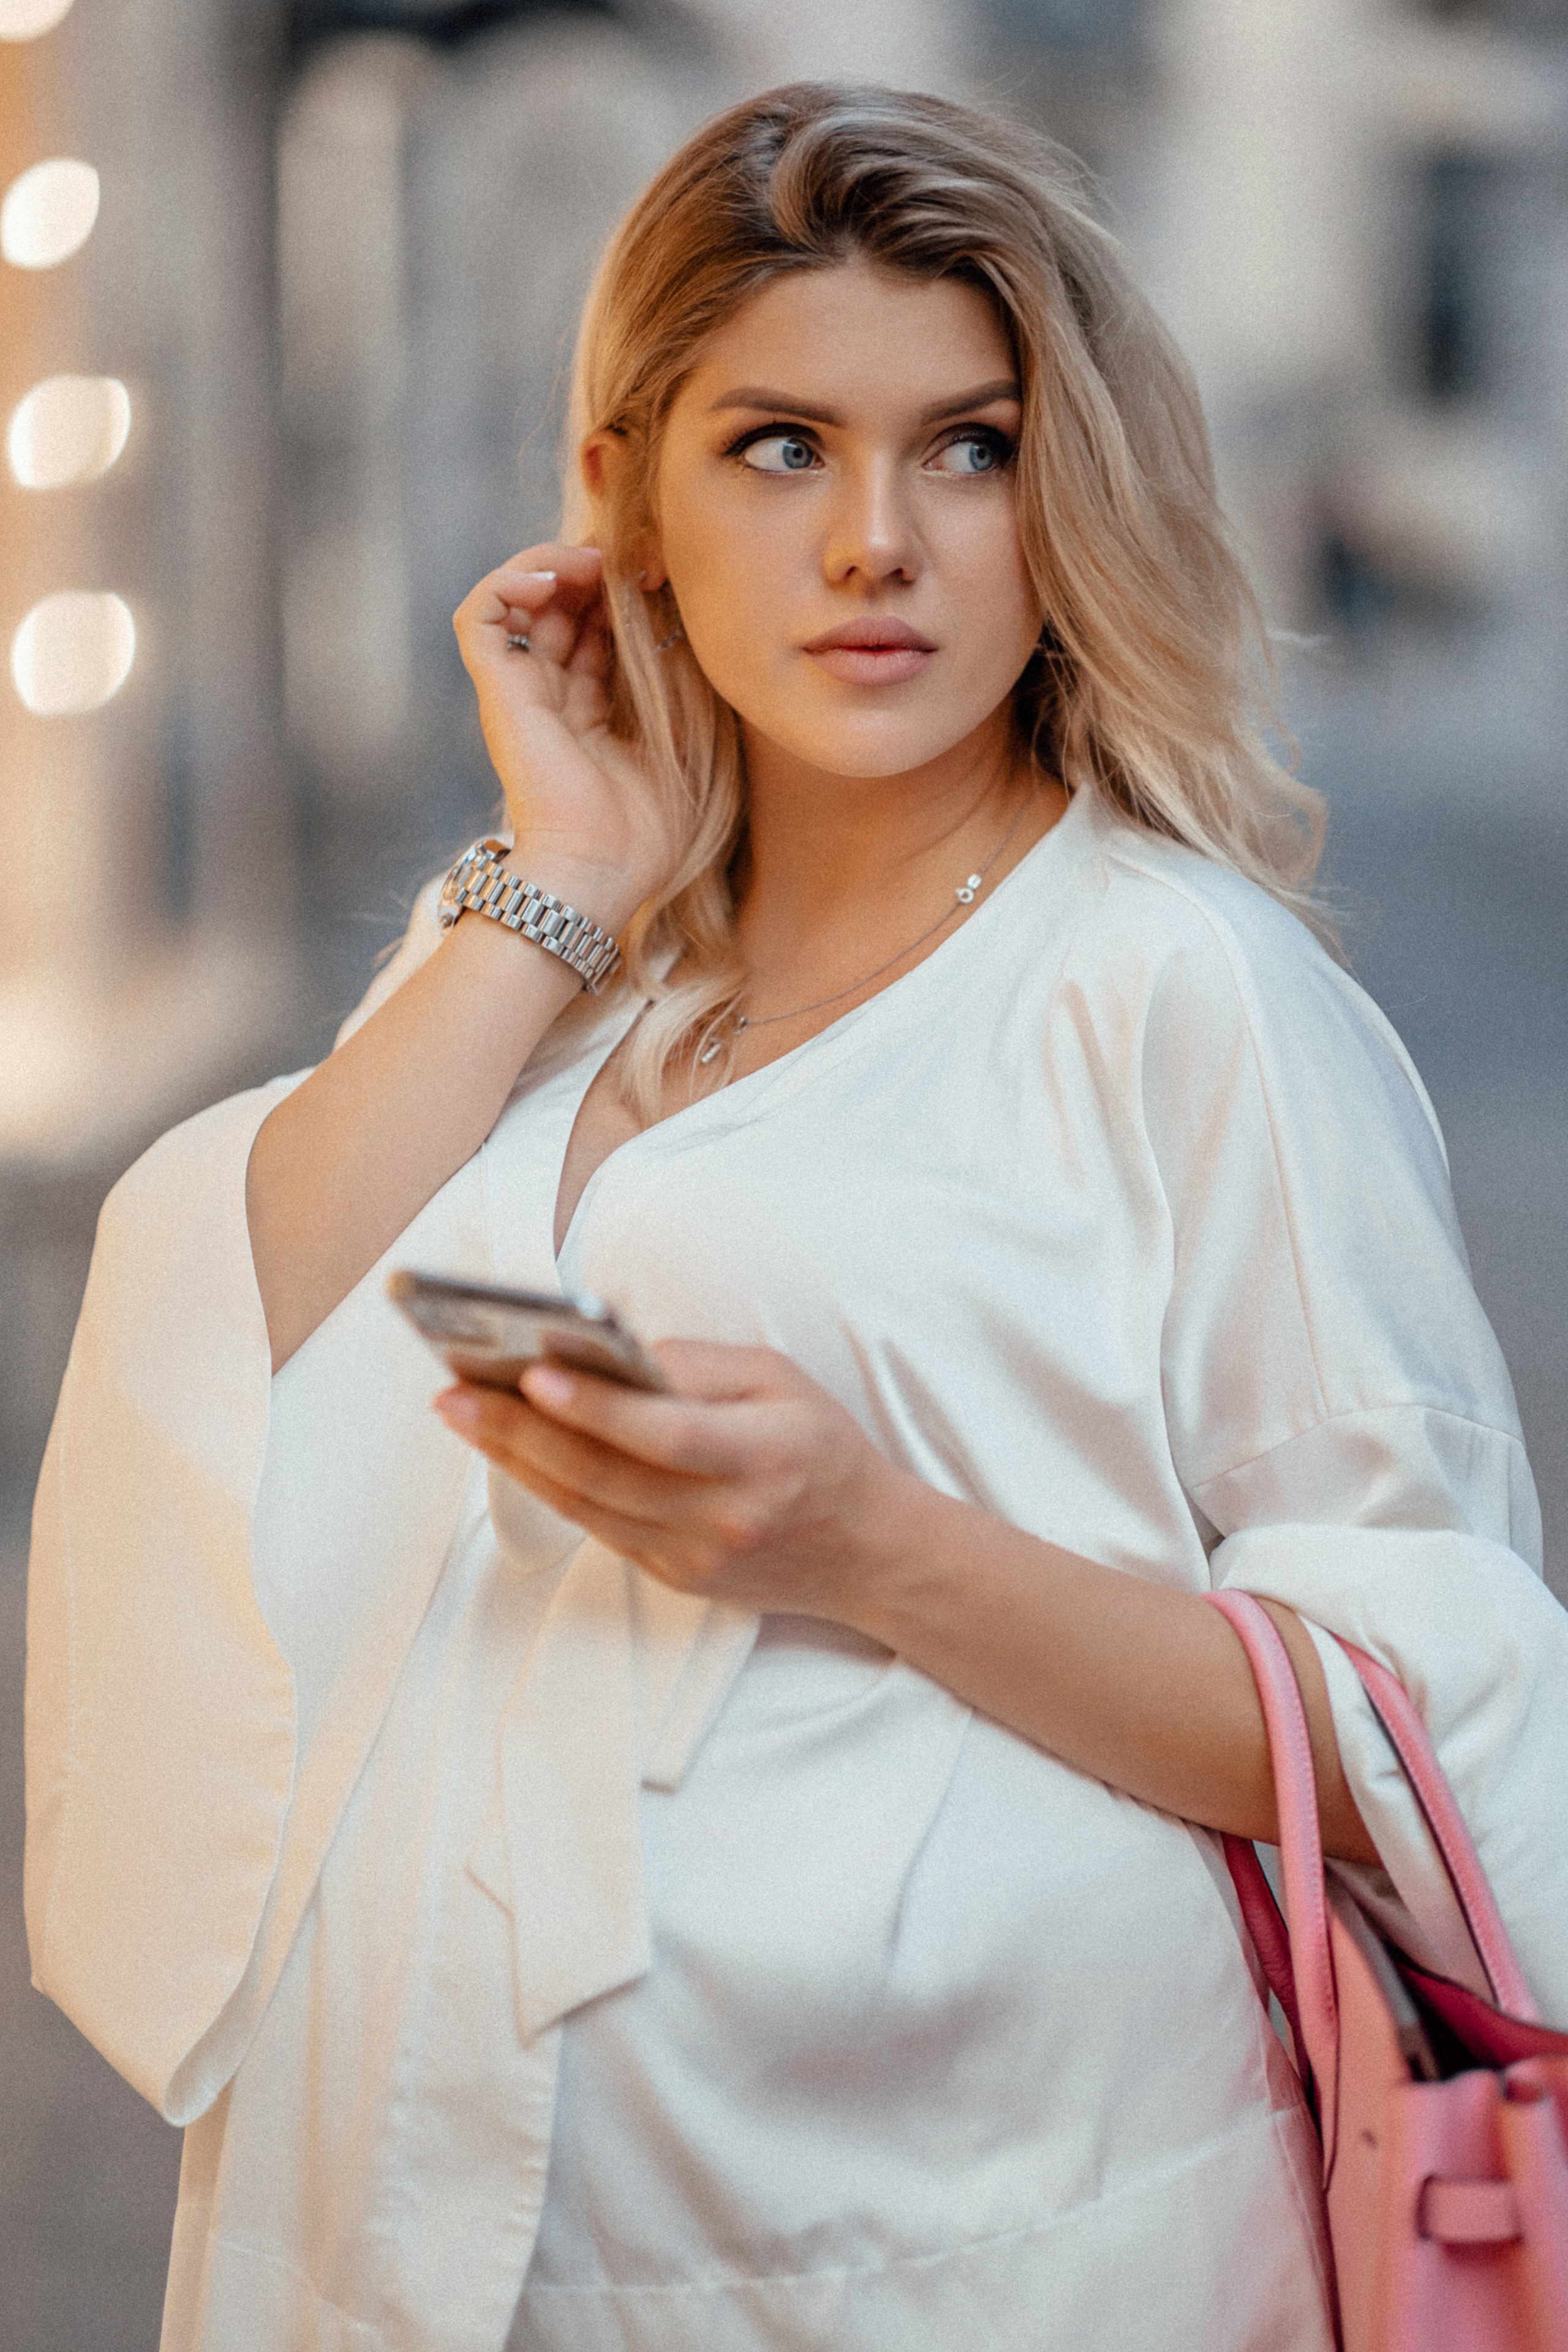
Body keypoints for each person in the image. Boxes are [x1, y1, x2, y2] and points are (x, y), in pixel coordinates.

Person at [25, 80, 1568, 2352]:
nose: (877, 543)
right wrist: (563, 870)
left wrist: (870, 1542)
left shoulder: (1180, 990)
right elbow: (229, 1349)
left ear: (1068, 496)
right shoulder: (547, 962)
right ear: (627, 503)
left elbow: (1415, 1736)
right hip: (440, 2235)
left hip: (997, 2237)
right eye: (779, 446)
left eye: (970, 449)